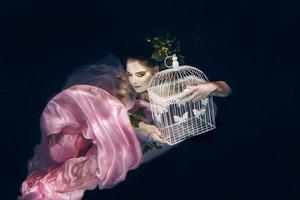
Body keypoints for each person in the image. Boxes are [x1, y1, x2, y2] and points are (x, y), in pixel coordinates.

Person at [19, 54, 143, 200]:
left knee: (74, 164)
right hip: (72, 143)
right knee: (70, 161)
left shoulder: (120, 95)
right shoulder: (104, 91)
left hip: (75, 144)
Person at [124, 37, 232, 161]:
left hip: (192, 136)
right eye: (129, 75)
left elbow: (226, 90)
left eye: (140, 75)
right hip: (144, 137)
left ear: (155, 72)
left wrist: (213, 86)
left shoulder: (171, 86)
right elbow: (120, 116)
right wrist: (147, 129)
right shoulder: (128, 89)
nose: (133, 81)